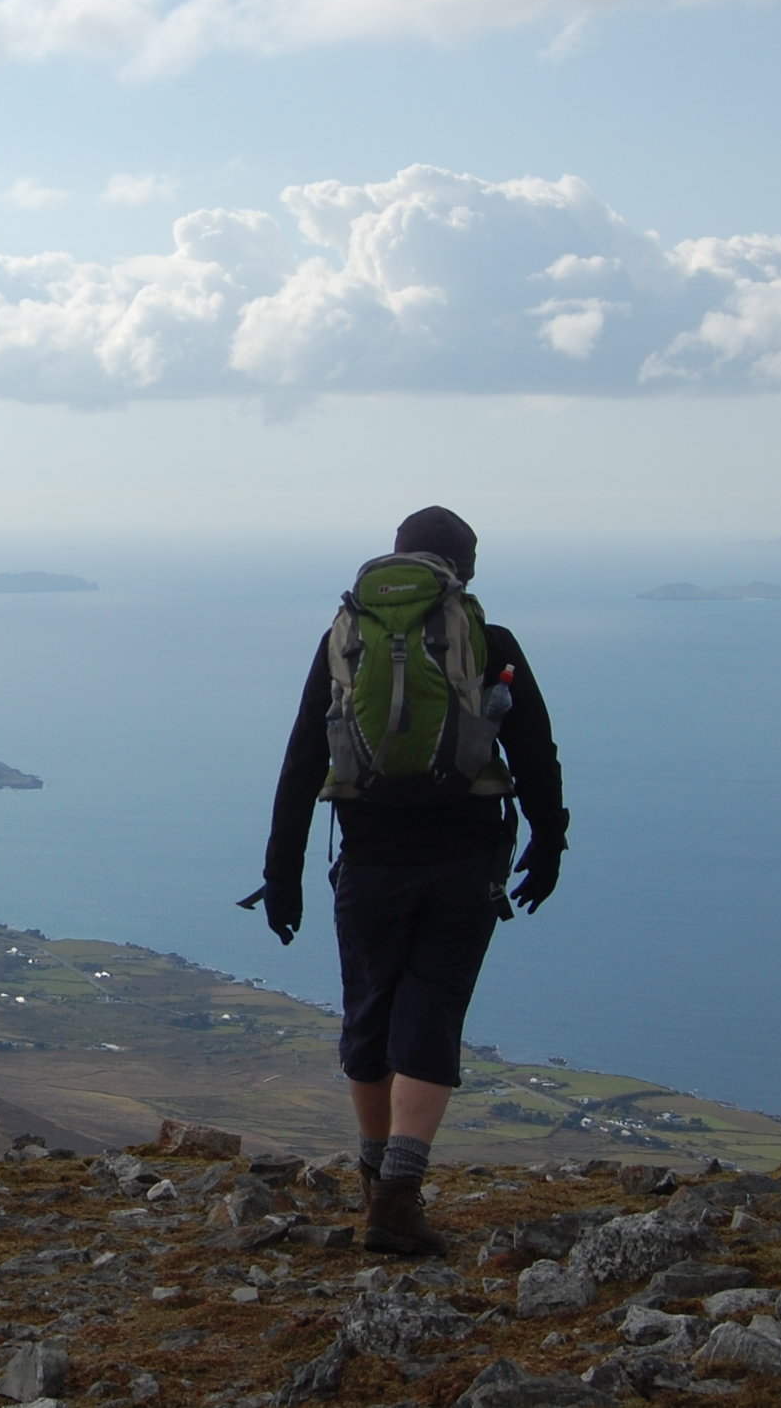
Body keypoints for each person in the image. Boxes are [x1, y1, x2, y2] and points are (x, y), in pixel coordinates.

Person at [253, 505, 567, 1256]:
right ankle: (397, 1199)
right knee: (431, 1012)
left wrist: (281, 870)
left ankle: (375, 1183)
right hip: (463, 862)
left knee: (370, 1013)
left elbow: (303, 758)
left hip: (368, 860)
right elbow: (535, 751)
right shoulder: (490, 640)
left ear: (399, 558)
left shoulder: (346, 642)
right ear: (463, 566)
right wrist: (549, 843)